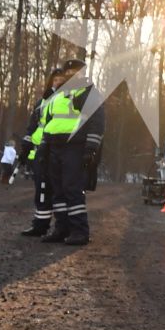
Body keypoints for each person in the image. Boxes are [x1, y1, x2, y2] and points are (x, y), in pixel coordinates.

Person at [33, 60, 104, 246]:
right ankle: (61, 228)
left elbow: (97, 121)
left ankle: (80, 231)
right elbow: (49, 122)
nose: (71, 74)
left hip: (75, 145)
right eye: (69, 71)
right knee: (57, 189)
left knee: (72, 189)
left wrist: (91, 148)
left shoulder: (88, 92)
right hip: (54, 145)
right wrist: (43, 146)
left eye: (75, 71)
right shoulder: (58, 94)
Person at [18, 67, 64, 237]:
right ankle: (40, 224)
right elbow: (32, 126)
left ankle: (60, 227)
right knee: (41, 189)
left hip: (56, 150)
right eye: (55, 79)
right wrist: (26, 145)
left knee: (57, 190)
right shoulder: (42, 102)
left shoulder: (66, 100)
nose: (58, 82)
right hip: (39, 151)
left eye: (61, 79)